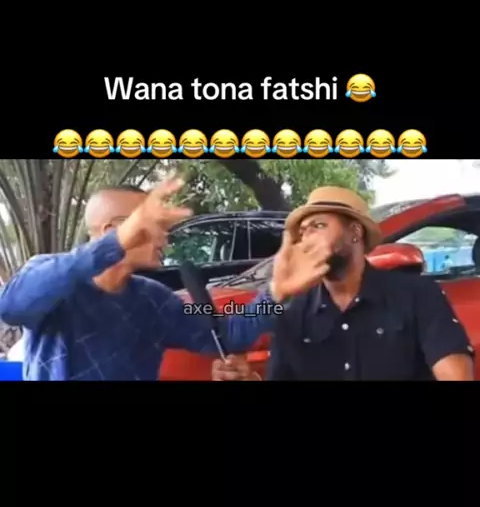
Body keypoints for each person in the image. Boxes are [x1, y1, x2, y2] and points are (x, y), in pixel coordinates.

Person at [0, 178, 331, 381]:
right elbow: (11, 306)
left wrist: (275, 292)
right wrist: (116, 245)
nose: (165, 239)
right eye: (155, 226)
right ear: (114, 229)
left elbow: (228, 333)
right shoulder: (51, 276)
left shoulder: (154, 299)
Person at [212, 186, 475, 382]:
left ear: (355, 232)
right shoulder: (292, 313)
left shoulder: (418, 295)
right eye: (303, 232)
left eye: (318, 225)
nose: (307, 238)